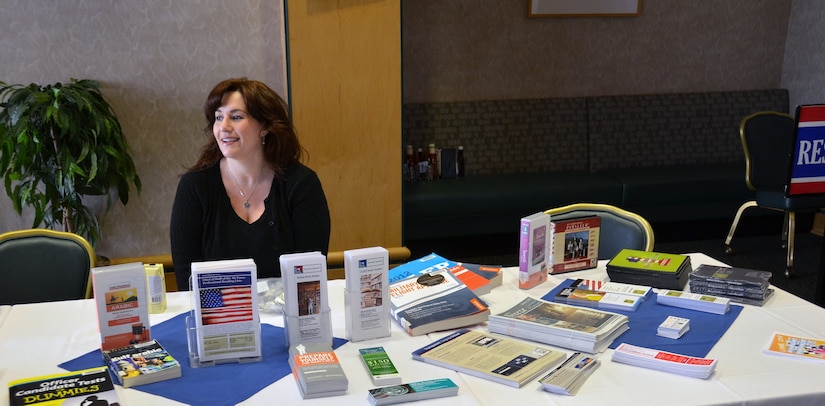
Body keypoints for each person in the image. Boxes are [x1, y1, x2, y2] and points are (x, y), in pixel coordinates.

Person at [170, 78, 331, 290]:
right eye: (218, 118)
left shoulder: (301, 184)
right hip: (217, 318)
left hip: (286, 315)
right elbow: (187, 279)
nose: (223, 127)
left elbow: (309, 275)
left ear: (264, 127)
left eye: (236, 117)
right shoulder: (195, 187)